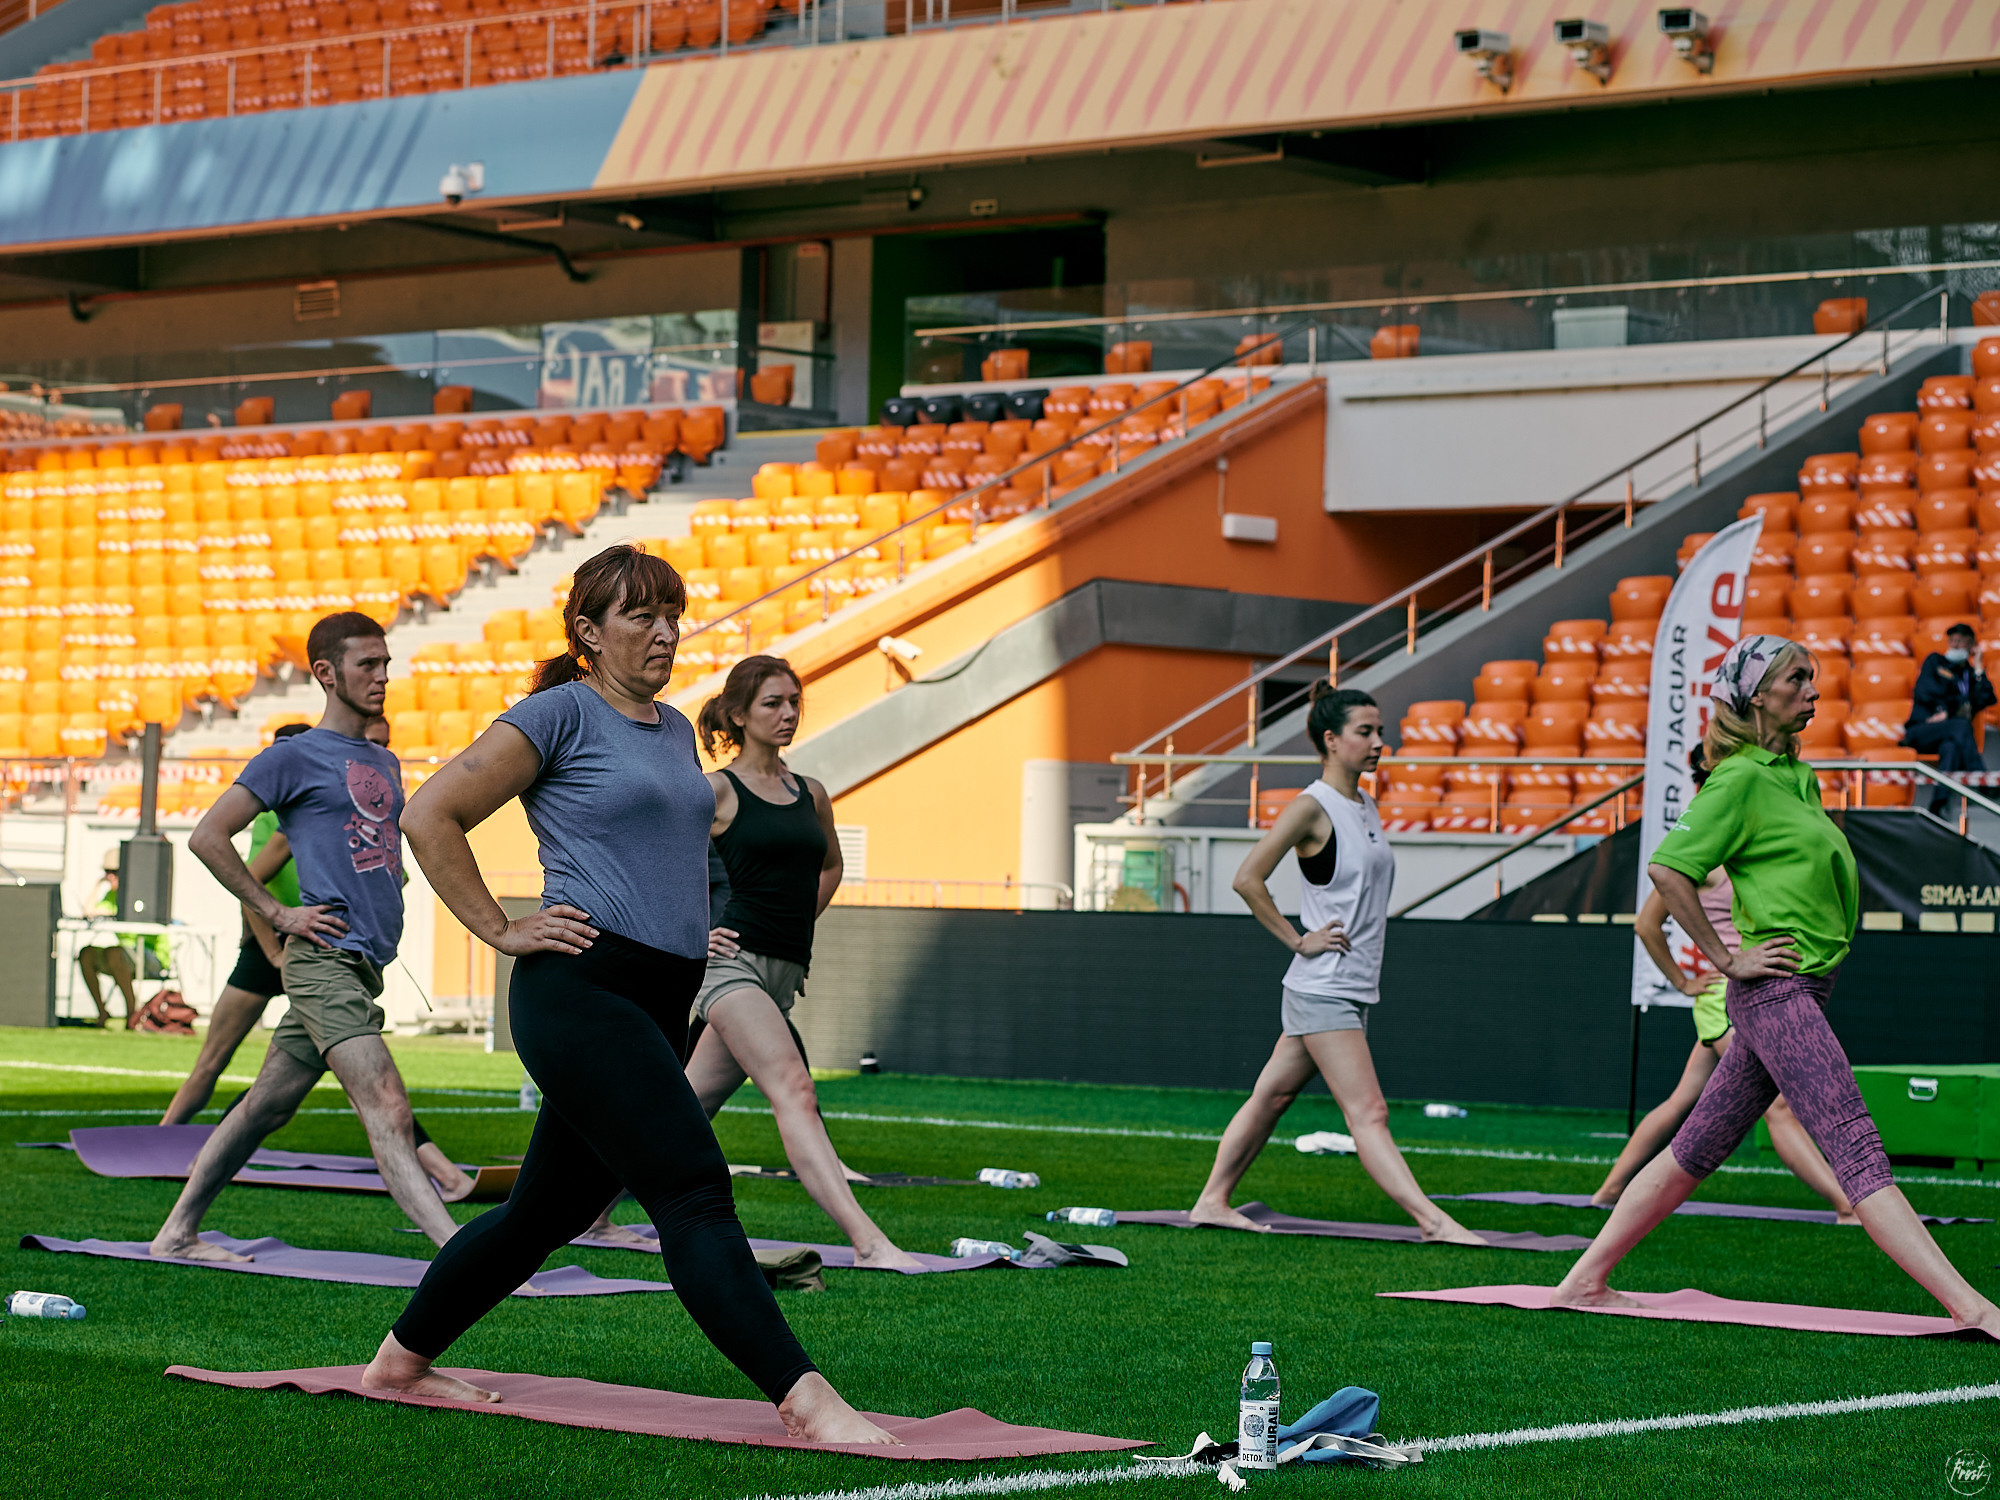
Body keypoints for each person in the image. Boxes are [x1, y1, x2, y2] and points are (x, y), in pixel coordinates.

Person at [364, 544, 894, 1444]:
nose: (663, 632)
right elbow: (428, 814)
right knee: (692, 1189)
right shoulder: (556, 715)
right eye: (639, 616)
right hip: (580, 990)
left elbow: (669, 846)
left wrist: (704, 923)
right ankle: (807, 1402)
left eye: (672, 615)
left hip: (662, 993)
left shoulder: (676, 726)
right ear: (587, 632)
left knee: (546, 1213)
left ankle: (399, 1363)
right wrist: (500, 927)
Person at [1552, 635, 2000, 1336]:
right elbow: (1668, 870)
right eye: (1798, 679)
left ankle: (1582, 1280)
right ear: (1757, 695)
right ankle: (1971, 1306)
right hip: (1774, 992)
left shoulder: (1794, 774)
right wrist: (1729, 962)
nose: (1814, 691)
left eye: (1813, 678)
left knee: (1696, 1146)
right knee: (1853, 1140)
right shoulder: (1736, 779)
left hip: (1804, 989)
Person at [150, 616, 461, 1260]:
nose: (382, 676)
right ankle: (460, 1256)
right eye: (367, 664)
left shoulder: (383, 759)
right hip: (324, 964)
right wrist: (279, 912)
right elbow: (208, 837)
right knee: (387, 1103)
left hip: (363, 968)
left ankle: (176, 1232)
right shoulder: (291, 757)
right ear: (326, 673)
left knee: (264, 1106)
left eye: (385, 663)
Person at [1188, 683, 1484, 1245]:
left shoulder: (1364, 804)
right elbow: (1247, 879)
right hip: (1322, 985)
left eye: (1380, 731)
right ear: (1331, 739)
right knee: (1368, 1112)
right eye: (1365, 732)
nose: (1379, 742)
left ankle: (1211, 1200)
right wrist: (1298, 940)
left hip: (1347, 985)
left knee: (1271, 1096)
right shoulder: (1310, 807)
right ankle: (1434, 1222)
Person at [679, 655, 920, 1269]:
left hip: (784, 970)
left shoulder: (809, 793)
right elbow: (658, 869)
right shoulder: (715, 791)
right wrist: (694, 933)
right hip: (728, 968)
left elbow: (831, 865)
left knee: (682, 1107)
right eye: (772, 704)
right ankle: (870, 1244)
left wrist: (797, 919)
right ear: (738, 715)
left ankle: (587, 1211)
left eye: (794, 702)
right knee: (795, 1086)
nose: (788, 714)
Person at [1591, 747, 1854, 1222]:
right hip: (1726, 999)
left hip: (1735, 997)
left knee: (1681, 1101)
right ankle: (1844, 1203)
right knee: (1778, 1107)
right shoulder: (1708, 851)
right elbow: (1647, 924)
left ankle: (1608, 1190)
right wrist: (1686, 981)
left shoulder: (1744, 835)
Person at [1902, 621, 1994, 816]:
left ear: (1971, 646)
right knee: (1960, 725)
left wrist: (1978, 668)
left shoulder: (1969, 674)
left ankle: (1937, 805)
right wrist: (1955, 707)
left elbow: (1986, 697)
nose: (1954, 645)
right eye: (1951, 640)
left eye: (1960, 642)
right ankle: (1984, 781)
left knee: (1951, 747)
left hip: (1948, 735)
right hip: (1922, 730)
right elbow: (1925, 692)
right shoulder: (1935, 662)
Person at [76, 847, 162, 1027]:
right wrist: (98, 884)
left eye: (115, 872)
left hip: (152, 955)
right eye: (107, 872)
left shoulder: (141, 892)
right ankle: (102, 1013)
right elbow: (88, 911)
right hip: (124, 956)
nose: (111, 877)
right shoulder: (111, 895)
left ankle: (132, 1015)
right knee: (87, 954)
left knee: (114, 953)